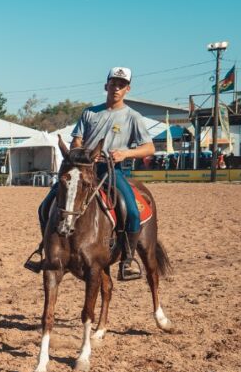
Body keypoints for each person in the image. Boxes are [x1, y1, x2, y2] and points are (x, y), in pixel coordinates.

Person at [25, 67, 154, 280]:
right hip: (85, 169)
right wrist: (81, 151)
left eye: (121, 85)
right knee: (45, 206)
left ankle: (128, 260)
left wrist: (126, 153)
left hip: (112, 171)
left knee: (131, 210)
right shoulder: (90, 113)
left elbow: (149, 148)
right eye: (113, 84)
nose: (116, 88)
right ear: (106, 86)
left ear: (127, 89)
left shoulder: (133, 117)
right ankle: (45, 250)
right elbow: (76, 139)